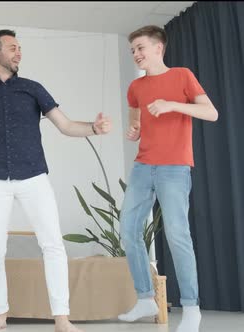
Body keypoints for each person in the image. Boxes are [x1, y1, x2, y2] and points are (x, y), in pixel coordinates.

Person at [0, 29, 111, 332]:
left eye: (19, 48)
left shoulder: (32, 88)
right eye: (13, 48)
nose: (18, 53)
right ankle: (0, 314)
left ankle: (61, 317)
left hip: (34, 177)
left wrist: (93, 128)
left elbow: (65, 126)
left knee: (52, 245)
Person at [117, 25, 218, 332]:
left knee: (177, 236)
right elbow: (137, 124)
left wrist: (172, 104)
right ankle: (145, 298)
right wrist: (134, 131)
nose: (135, 54)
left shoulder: (182, 75)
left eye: (140, 48)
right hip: (143, 166)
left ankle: (191, 308)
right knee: (128, 231)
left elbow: (211, 113)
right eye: (132, 49)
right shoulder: (135, 88)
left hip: (175, 167)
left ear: (158, 48)